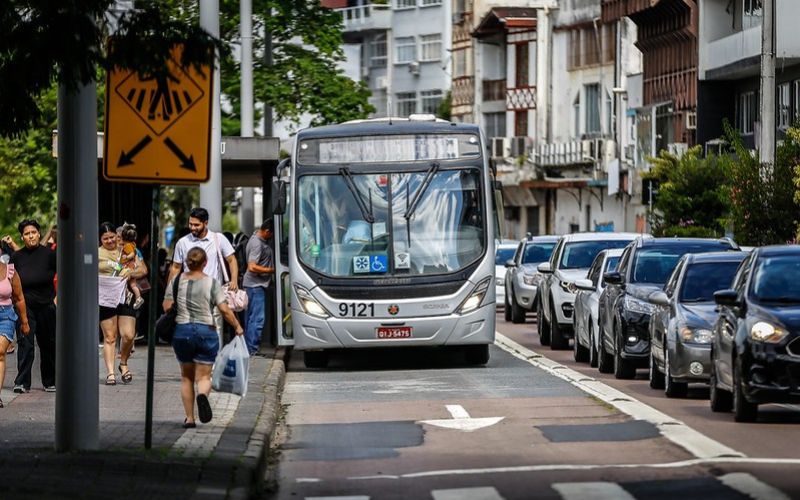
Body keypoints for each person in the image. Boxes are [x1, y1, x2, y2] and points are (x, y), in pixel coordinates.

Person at [163, 247, 244, 428]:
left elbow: (167, 306)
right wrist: (237, 327)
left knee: (186, 377)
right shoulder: (212, 283)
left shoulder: (175, 282)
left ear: (187, 263)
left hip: (182, 332)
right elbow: (224, 310)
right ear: (205, 263)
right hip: (206, 331)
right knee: (204, 377)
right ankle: (202, 395)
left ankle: (190, 418)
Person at [168, 207, 239, 345]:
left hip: (212, 294)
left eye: (196, 225)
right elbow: (176, 267)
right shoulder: (183, 242)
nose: (192, 228)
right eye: (190, 224)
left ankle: (211, 363)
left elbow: (232, 260)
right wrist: (170, 292)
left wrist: (234, 280)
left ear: (205, 223)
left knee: (214, 329)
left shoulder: (218, 239)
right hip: (188, 294)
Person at [98, 222, 147, 385]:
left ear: (117, 236)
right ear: (100, 239)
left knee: (128, 335)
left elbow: (143, 270)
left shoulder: (128, 250)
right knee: (110, 337)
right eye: (106, 238)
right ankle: (111, 373)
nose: (110, 241)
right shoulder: (96, 253)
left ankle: (123, 362)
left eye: (112, 237)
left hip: (126, 296)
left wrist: (130, 272)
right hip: (106, 299)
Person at [10, 219, 56, 393]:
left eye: (34, 232)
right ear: (22, 237)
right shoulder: (16, 257)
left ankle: (50, 381)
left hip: (47, 305)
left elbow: (63, 276)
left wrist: (56, 299)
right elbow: (11, 282)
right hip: (24, 306)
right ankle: (22, 382)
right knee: (25, 344)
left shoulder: (50, 255)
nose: (31, 236)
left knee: (49, 343)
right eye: (27, 234)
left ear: (39, 233)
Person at [0, 248, 29, 407]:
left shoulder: (10, 271)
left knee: (0, 352)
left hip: (5, 316)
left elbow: (19, 298)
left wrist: (24, 322)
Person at [243, 220, 275, 355]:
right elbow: (252, 267)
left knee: (251, 319)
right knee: (257, 319)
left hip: (253, 286)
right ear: (267, 231)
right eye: (272, 234)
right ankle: (252, 350)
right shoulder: (257, 243)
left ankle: (249, 349)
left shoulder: (257, 240)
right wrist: (272, 270)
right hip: (255, 286)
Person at [119, 224, 144, 309]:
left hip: (128, 266)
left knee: (121, 280)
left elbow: (132, 254)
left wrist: (127, 257)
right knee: (133, 285)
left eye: (120, 237)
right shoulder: (132, 244)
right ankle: (137, 297)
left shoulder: (127, 246)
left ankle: (128, 294)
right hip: (130, 266)